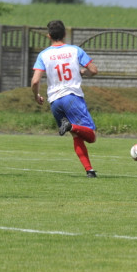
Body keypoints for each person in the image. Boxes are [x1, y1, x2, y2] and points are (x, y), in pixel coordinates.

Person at [31, 20, 101, 177]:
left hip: (55, 101)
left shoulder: (43, 54)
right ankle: (70, 126)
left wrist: (36, 95)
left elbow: (35, 81)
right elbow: (94, 70)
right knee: (91, 136)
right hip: (72, 97)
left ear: (49, 36)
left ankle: (89, 170)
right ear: (65, 34)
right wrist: (84, 72)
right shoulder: (75, 50)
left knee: (77, 136)